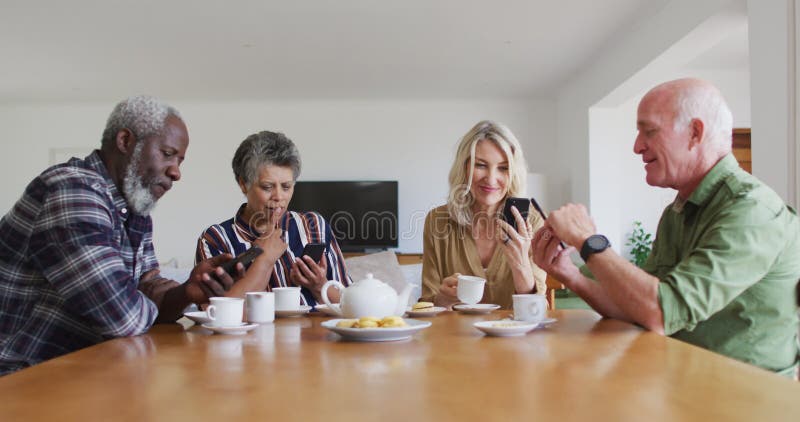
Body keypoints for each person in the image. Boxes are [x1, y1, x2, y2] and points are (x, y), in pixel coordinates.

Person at [532, 78, 800, 378]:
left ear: (695, 133)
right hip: (683, 386)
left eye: (650, 131)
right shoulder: (676, 213)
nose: (636, 146)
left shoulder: (753, 210)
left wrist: (589, 241)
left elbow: (661, 312)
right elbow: (640, 309)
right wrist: (570, 275)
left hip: (749, 402)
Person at [0, 96, 235, 375]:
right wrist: (150, 299)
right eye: (168, 153)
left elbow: (147, 285)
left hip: (78, 373)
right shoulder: (73, 189)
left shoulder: (135, 211)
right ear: (125, 141)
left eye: (180, 160)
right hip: (18, 379)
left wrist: (186, 292)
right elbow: (122, 317)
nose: (176, 172)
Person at [195, 131, 350, 306]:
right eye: (267, 187)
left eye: (286, 186)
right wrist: (264, 260)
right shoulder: (215, 240)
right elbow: (216, 311)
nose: (279, 197)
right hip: (253, 334)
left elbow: (350, 303)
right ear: (243, 184)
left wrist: (319, 285)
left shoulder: (314, 225)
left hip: (315, 332)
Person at [420, 120, 547, 310]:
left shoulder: (532, 221)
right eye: (480, 165)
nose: (491, 178)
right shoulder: (437, 220)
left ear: (513, 173)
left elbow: (537, 310)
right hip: (456, 338)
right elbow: (427, 306)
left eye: (503, 168)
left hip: (514, 336)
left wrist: (521, 265)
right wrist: (443, 300)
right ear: (464, 168)